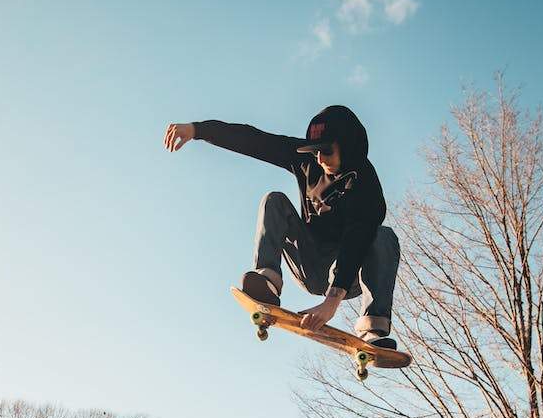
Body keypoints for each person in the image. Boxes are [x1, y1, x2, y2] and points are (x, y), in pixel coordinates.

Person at [163, 105, 400, 349]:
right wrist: (198, 130)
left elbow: (356, 241)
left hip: (347, 273)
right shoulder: (307, 161)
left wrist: (332, 302)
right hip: (309, 263)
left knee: (382, 236)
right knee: (274, 200)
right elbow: (255, 141)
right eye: (315, 152)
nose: (319, 159)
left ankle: (373, 329)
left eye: (326, 152)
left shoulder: (365, 185)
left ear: (349, 147)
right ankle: (269, 280)